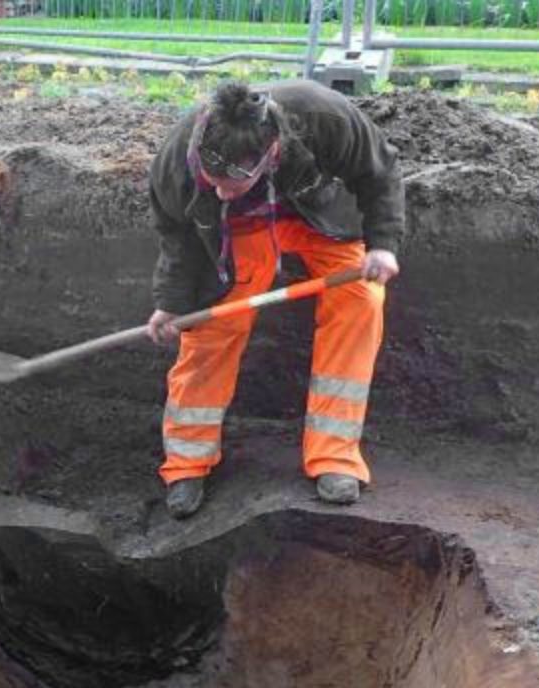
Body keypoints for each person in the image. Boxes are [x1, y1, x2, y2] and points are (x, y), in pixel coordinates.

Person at [146, 80, 405, 517]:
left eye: (233, 182)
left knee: (361, 298)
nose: (223, 190)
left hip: (317, 214)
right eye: (216, 182)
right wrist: (172, 302)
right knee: (211, 322)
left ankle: (334, 456)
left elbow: (380, 172)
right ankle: (187, 462)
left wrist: (383, 244)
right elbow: (177, 236)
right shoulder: (176, 164)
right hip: (239, 229)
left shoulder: (326, 118)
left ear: (272, 151)